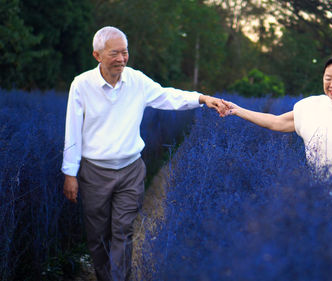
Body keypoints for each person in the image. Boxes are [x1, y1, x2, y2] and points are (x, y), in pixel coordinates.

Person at [62, 26, 228, 281]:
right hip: (95, 173)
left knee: (123, 231)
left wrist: (202, 98)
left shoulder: (136, 81)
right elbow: (71, 131)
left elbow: (166, 96)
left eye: (125, 53)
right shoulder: (82, 85)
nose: (121, 59)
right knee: (97, 237)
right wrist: (70, 174)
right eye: (114, 53)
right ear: (97, 55)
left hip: (130, 170)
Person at [223, 55, 332, 209]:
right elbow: (276, 121)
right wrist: (238, 110)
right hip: (319, 193)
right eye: (328, 78)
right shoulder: (310, 107)